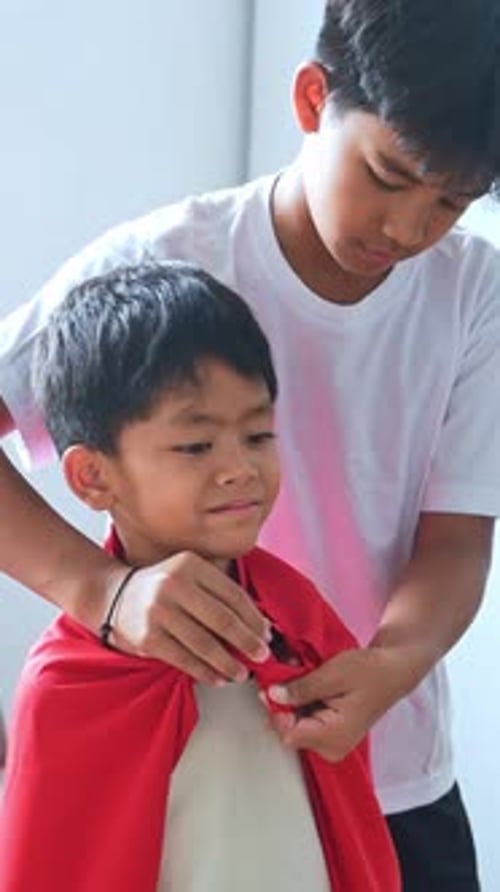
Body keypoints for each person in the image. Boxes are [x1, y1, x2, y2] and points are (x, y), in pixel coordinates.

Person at [0, 1, 499, 888]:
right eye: (389, 175)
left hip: (392, 769)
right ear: (313, 98)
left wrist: (390, 667)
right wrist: (103, 590)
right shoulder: (164, 260)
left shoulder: (473, 292)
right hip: (188, 764)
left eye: (453, 202)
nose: (412, 229)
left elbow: (458, 540)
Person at [0, 262, 400, 892]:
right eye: (196, 446)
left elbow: (344, 819)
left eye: (258, 435)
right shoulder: (68, 685)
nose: (240, 468)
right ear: (93, 477)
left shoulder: (299, 616)